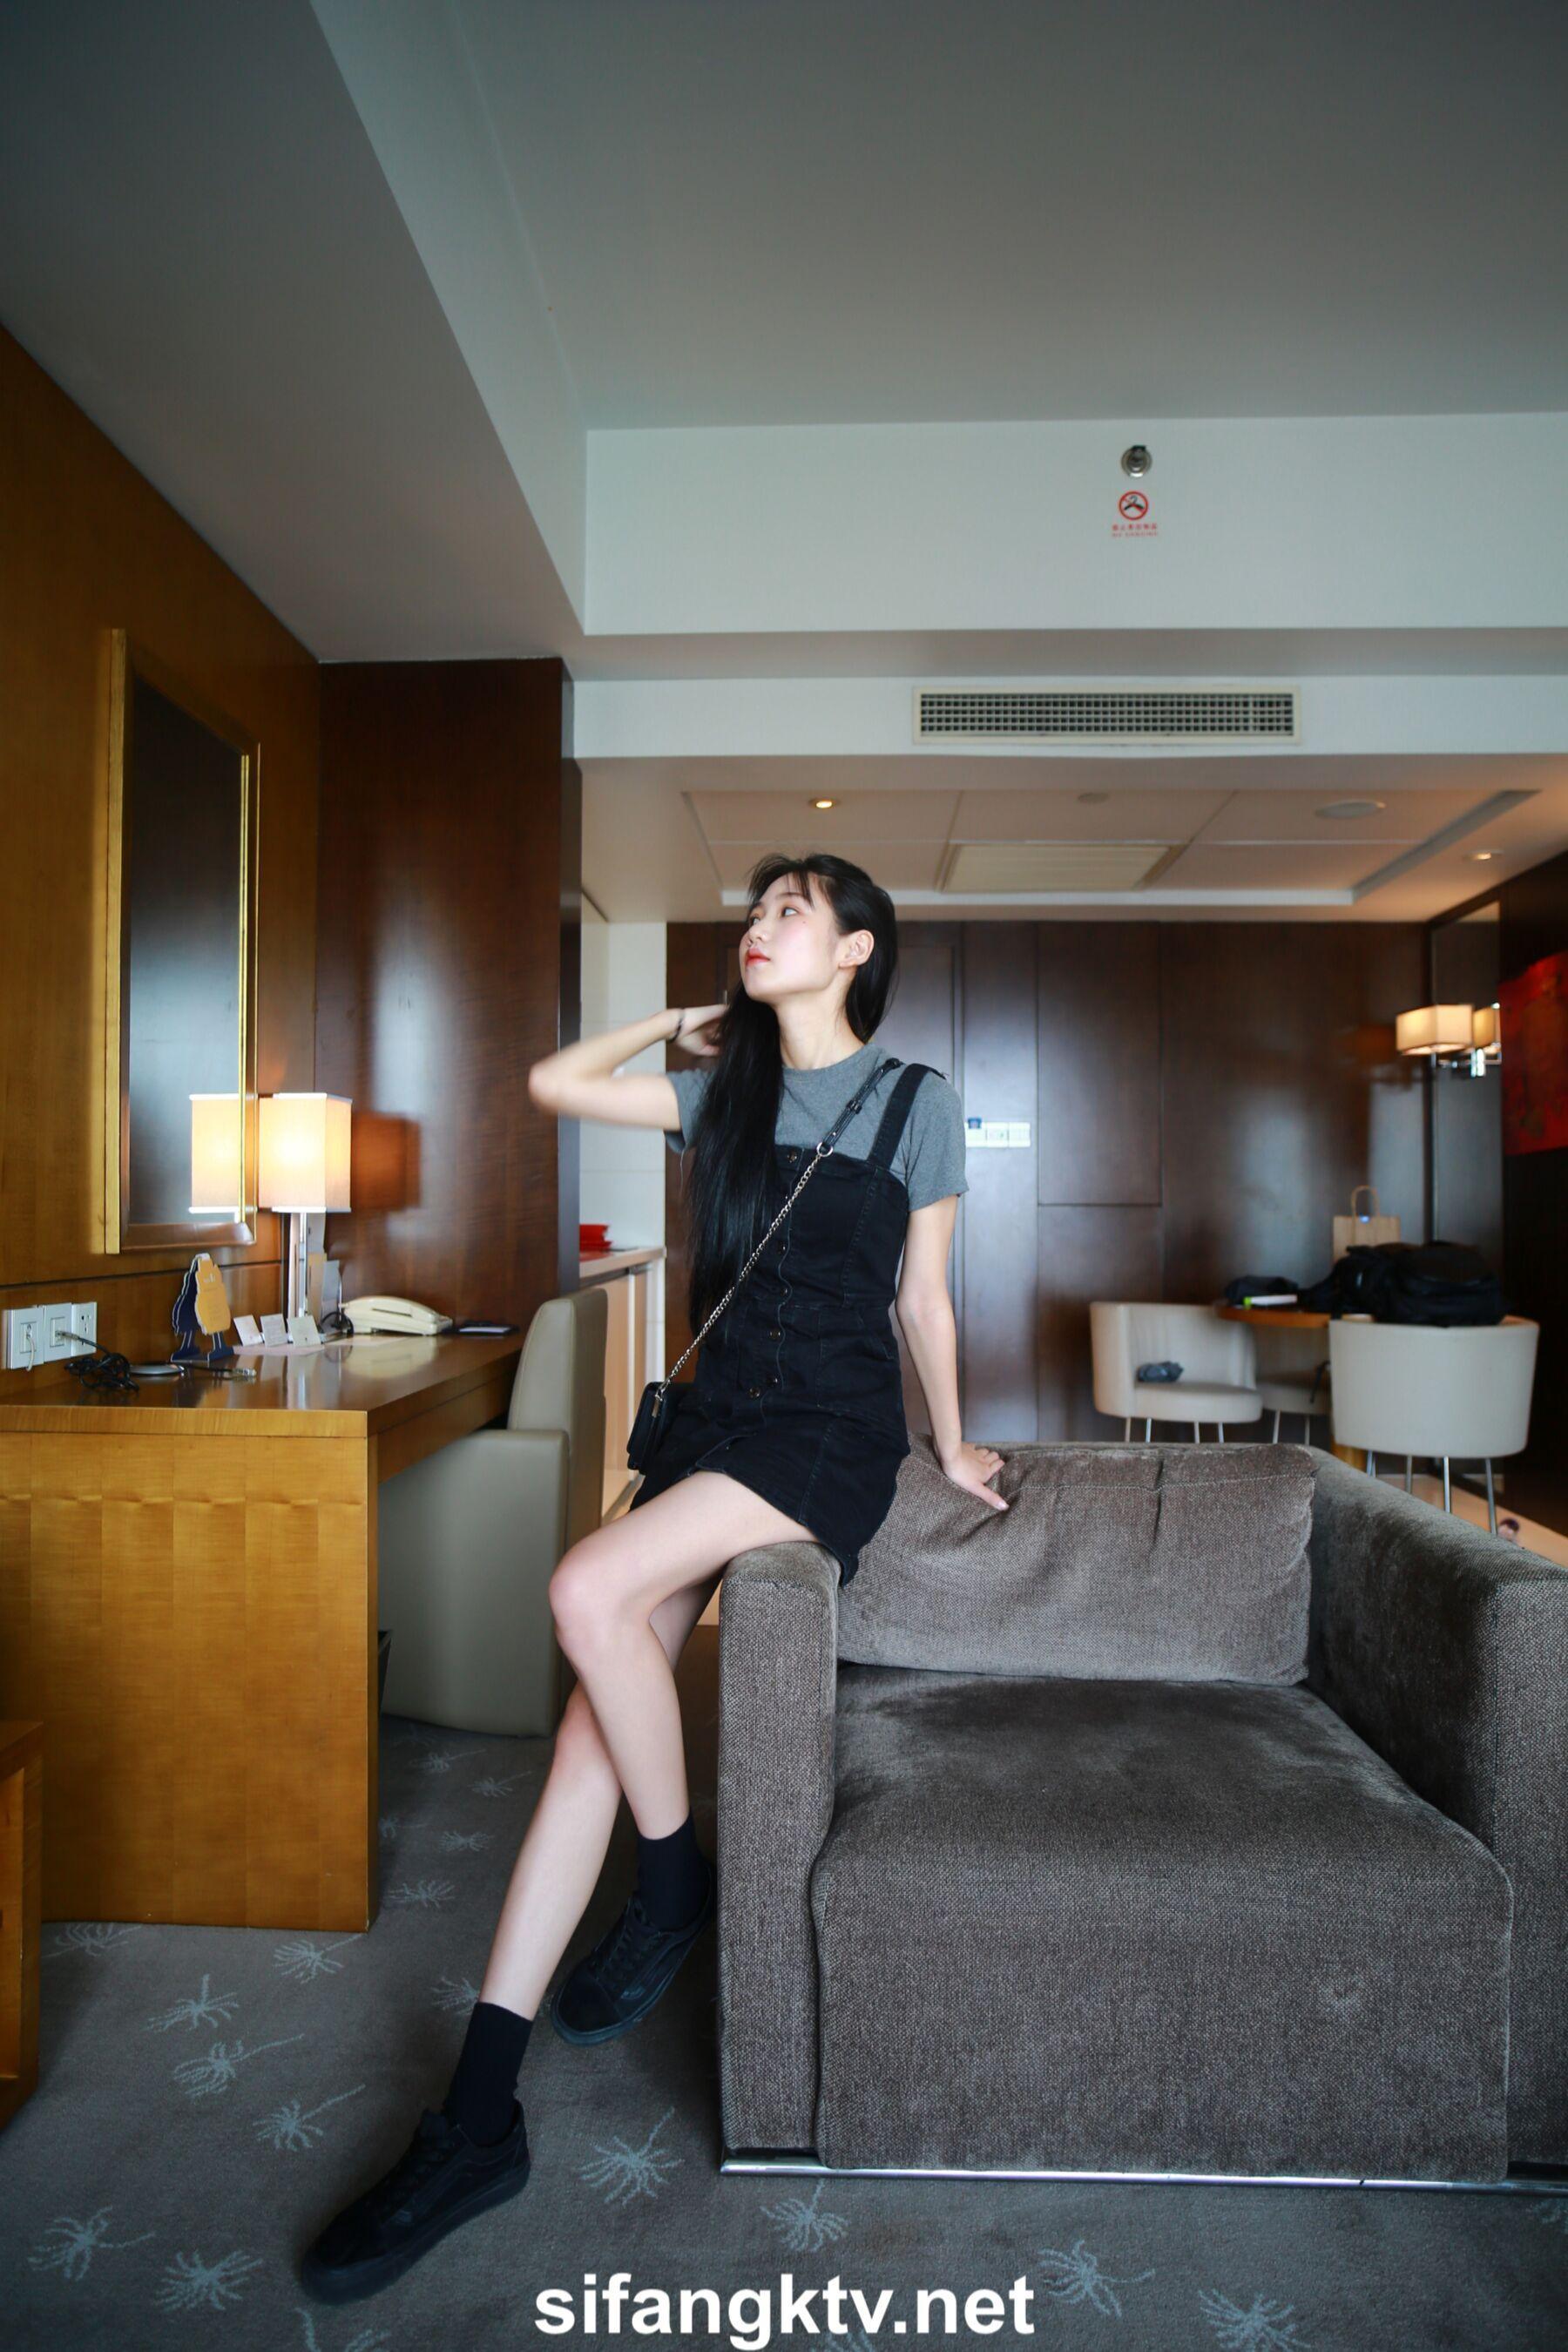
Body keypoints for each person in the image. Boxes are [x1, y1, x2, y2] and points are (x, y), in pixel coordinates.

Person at [299, 851, 1007, 2303]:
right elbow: (555, 1081)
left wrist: (953, 1441)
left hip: (826, 1436)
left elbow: (924, 1298)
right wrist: (681, 1019)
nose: (762, 925)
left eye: (792, 910)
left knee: (581, 1591)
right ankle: (476, 2121)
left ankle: (673, 1879)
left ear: (856, 950)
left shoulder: (917, 1103)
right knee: (586, 1737)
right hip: (714, 1426)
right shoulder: (721, 1096)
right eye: (756, 909)